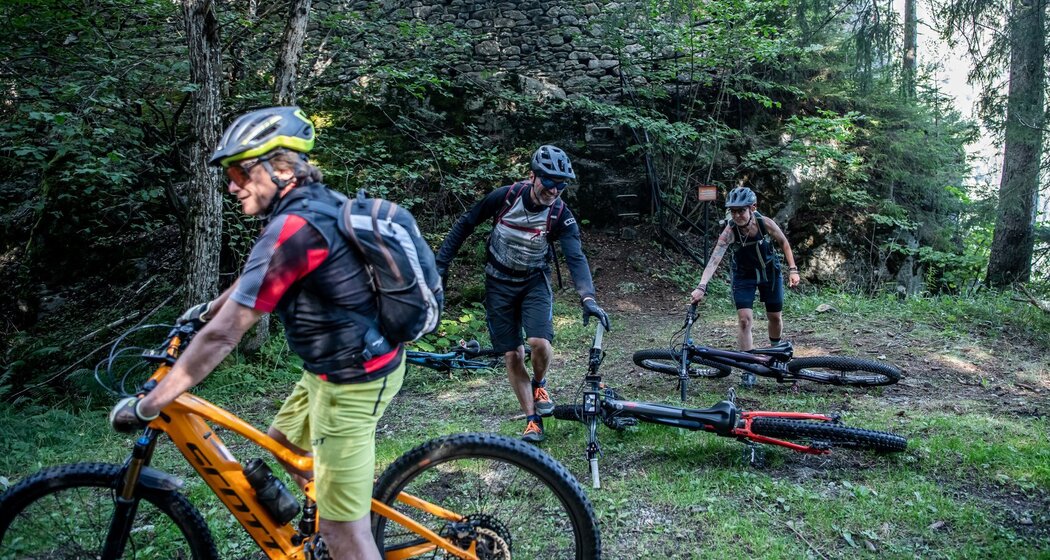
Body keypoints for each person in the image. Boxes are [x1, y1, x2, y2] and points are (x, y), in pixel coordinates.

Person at [109, 106, 404, 559]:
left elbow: (224, 337)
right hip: (333, 364)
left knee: (346, 535)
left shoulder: (296, 226)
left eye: (239, 172)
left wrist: (149, 405)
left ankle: (342, 530)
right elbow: (258, 277)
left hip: (354, 380)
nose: (231, 185)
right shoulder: (311, 206)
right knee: (283, 444)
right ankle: (332, 512)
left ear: (281, 168)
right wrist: (207, 309)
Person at [436, 145, 610, 443]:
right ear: (532, 177)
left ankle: (539, 384)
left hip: (533, 282)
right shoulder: (505, 197)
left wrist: (588, 298)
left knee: (539, 343)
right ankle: (532, 420)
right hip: (498, 283)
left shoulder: (560, 214)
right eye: (549, 181)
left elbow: (575, 257)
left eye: (561, 185)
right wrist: (441, 263)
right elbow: (466, 223)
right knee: (512, 353)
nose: (553, 190)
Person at [690, 186, 800, 384]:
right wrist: (701, 286)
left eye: (741, 210)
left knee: (775, 317)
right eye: (733, 211)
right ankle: (749, 367)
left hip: (769, 272)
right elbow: (714, 259)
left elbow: (784, 242)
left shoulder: (764, 223)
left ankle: (775, 353)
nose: (737, 215)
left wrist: (793, 269)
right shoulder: (729, 231)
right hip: (743, 276)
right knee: (744, 320)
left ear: (752, 208)